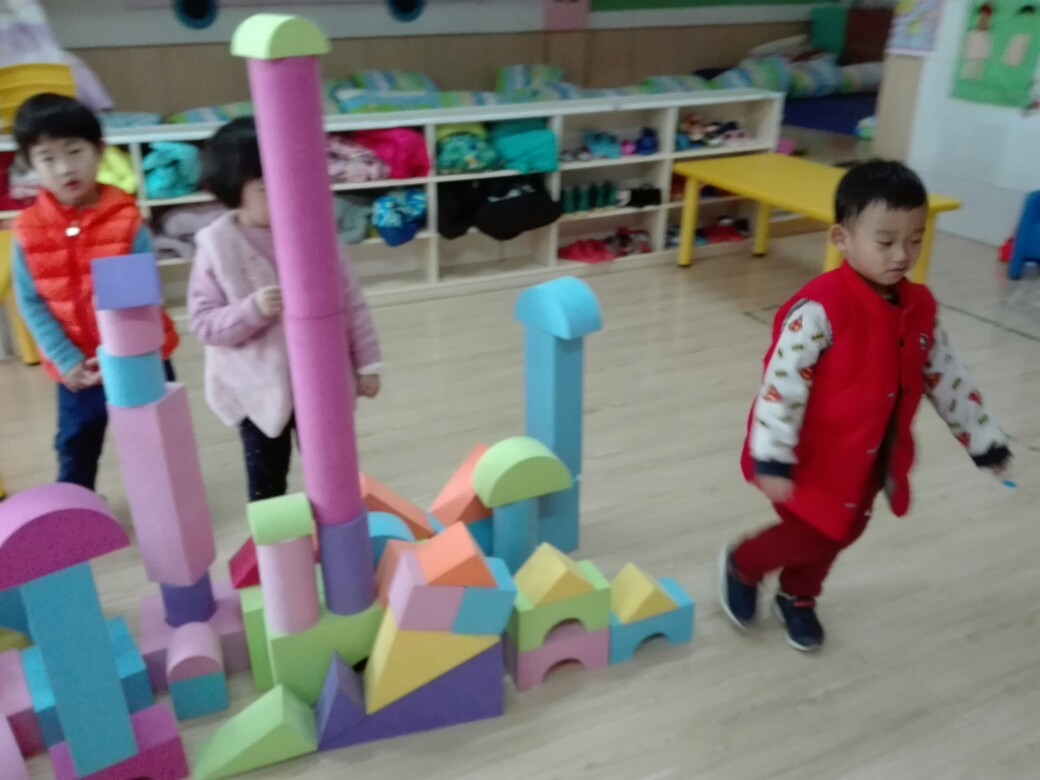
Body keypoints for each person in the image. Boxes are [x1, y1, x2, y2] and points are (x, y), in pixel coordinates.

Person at [719, 160, 1012, 653]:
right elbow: (781, 386)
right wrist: (772, 455)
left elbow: (947, 377)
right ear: (842, 238)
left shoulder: (920, 308)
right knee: (813, 533)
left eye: (915, 239)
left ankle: (798, 593)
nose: (902, 255)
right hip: (810, 459)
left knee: (846, 529)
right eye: (885, 241)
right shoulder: (820, 309)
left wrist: (984, 443)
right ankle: (743, 563)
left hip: (873, 461)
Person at [188, 117, 382, 502]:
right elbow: (204, 324)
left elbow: (351, 301)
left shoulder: (317, 233)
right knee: (267, 483)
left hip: (321, 384)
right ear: (235, 190)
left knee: (331, 473)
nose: (285, 195)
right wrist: (251, 310)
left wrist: (367, 364)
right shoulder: (217, 246)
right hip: (257, 392)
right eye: (266, 187)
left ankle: (332, 529)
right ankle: (273, 538)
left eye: (291, 181)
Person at [11, 93, 179, 492]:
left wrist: (124, 357)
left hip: (138, 357)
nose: (65, 168)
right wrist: (66, 360)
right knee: (76, 444)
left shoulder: (126, 219)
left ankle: (162, 503)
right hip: (76, 367)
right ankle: (76, 506)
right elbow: (30, 302)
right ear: (30, 165)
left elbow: (143, 298)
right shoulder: (28, 230)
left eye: (75, 151)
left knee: (155, 440)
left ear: (99, 151)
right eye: (47, 158)